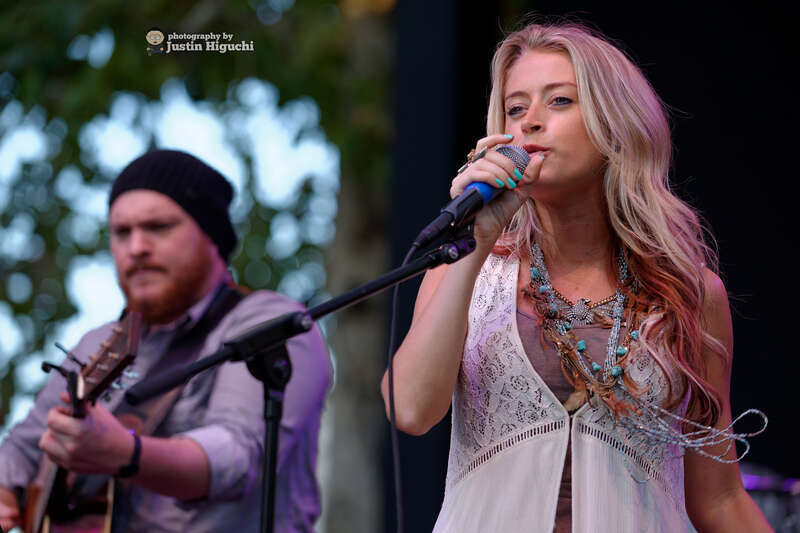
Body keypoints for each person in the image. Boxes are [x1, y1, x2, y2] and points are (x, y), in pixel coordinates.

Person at [381, 21, 772, 533]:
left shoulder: (691, 293)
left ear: (616, 124)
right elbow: (410, 410)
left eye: (560, 101)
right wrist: (476, 241)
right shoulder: (467, 264)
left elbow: (719, 499)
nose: (530, 123)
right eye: (515, 109)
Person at [0, 149, 332, 533]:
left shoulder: (271, 324)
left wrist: (127, 453)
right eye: (122, 232)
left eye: (158, 227)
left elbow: (238, 459)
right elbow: (25, 444)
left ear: (212, 236)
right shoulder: (98, 342)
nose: (136, 248)